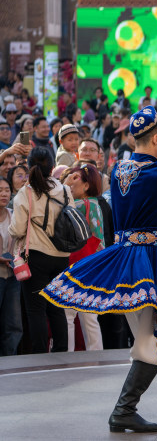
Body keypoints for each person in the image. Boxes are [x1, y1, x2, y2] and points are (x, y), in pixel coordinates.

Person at [41, 108, 157, 433]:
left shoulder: (121, 167)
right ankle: (124, 410)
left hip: (126, 260)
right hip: (147, 265)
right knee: (152, 341)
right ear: (156, 137)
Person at [10, 147, 74, 354]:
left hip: (36, 256)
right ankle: (61, 352)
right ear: (52, 167)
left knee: (36, 309)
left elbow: (17, 229)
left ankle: (40, 355)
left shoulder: (25, 193)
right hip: (62, 256)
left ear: (28, 167)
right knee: (57, 308)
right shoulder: (65, 190)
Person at [62, 164, 106, 352]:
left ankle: (68, 357)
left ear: (86, 186)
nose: (71, 183)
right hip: (92, 266)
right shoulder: (96, 205)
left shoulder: (77, 205)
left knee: (68, 315)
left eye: (75, 178)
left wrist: (63, 187)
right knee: (90, 318)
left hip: (73, 265)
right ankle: (96, 358)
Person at [0, 178, 21, 355]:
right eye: (0, 190)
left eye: (7, 190)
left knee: (13, 324)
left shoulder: (14, 215)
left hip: (13, 276)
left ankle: (10, 359)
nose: (4, 194)